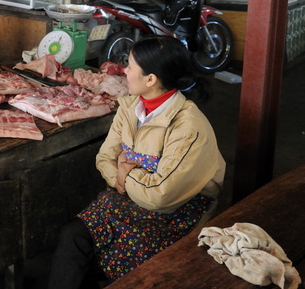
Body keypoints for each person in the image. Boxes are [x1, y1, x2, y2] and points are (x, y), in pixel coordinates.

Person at [47, 35, 225, 288]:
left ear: (151, 79)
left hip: (175, 213)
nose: (125, 71)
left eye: (130, 66)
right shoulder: (130, 107)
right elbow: (105, 157)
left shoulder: (189, 128)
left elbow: (160, 197)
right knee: (73, 236)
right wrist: (128, 177)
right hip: (128, 199)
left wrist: (124, 174)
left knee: (135, 265)